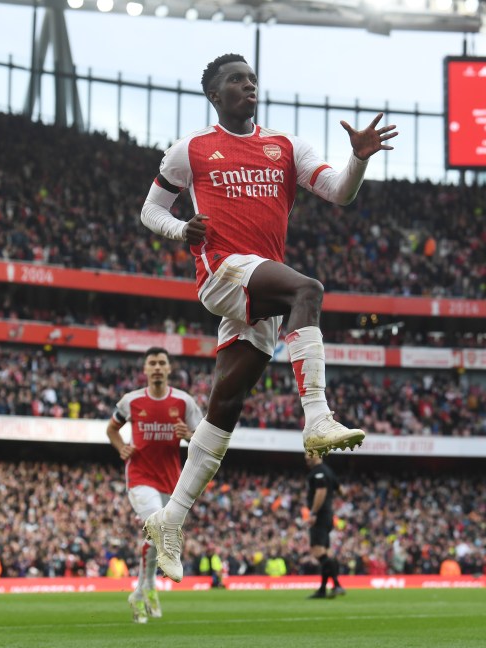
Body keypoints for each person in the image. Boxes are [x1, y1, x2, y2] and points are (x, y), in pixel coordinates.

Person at [139, 53, 397, 582]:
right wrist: (178, 230)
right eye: (237, 80)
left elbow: (340, 193)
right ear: (215, 94)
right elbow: (151, 210)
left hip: (258, 285)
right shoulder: (190, 149)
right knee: (309, 289)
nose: (248, 86)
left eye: (252, 79)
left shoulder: (285, 146)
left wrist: (361, 160)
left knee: (224, 409)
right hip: (224, 272)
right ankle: (317, 416)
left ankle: (171, 518)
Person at [105, 347, 202, 624]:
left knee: (154, 537)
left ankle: (143, 590)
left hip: (172, 481)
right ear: (145, 370)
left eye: (162, 363)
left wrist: (189, 435)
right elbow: (111, 429)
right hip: (140, 477)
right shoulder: (131, 401)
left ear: (169, 368)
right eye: (152, 363)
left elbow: (201, 438)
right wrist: (121, 446)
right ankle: (144, 589)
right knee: (157, 526)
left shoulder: (184, 402)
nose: (157, 367)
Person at [305, 454, 345, 599]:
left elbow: (321, 491)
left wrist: (314, 512)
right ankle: (323, 589)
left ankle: (336, 584)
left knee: (318, 552)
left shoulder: (318, 473)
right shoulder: (329, 471)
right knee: (325, 553)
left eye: (308, 455)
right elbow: (342, 490)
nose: (306, 458)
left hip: (320, 516)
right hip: (328, 516)